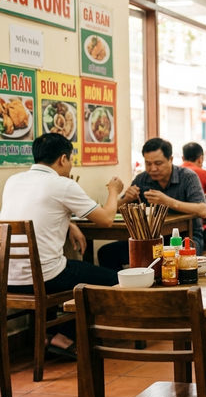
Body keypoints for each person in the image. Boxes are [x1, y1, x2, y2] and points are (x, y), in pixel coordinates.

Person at [0, 133, 122, 356]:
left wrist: (68, 224)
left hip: (6, 277)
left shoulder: (13, 181)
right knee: (112, 279)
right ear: (63, 159)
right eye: (71, 160)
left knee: (72, 268)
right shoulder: (62, 184)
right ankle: (63, 337)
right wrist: (113, 191)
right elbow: (105, 218)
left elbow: (36, 214)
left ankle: (50, 335)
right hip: (44, 277)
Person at [98, 137, 206, 271]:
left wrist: (167, 201)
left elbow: (202, 210)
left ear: (171, 160)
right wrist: (126, 198)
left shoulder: (187, 177)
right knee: (107, 253)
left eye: (158, 163)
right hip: (148, 240)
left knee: (172, 258)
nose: (153, 168)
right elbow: (115, 210)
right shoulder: (142, 179)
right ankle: (126, 290)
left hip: (185, 239)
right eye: (148, 164)